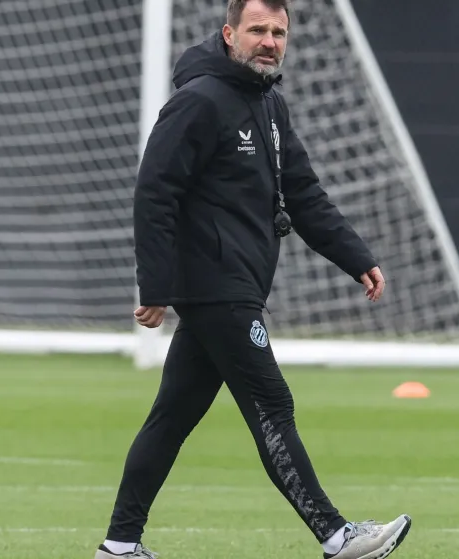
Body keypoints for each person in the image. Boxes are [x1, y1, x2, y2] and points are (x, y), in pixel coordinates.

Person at [93, 1, 411, 558]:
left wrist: (354, 255)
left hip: (234, 286)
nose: (269, 41)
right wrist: (155, 287)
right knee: (272, 403)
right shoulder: (199, 102)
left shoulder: (269, 104)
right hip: (217, 288)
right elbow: (154, 193)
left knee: (171, 418)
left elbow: (305, 193)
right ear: (229, 33)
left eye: (279, 32)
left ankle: (119, 546)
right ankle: (337, 537)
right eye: (257, 30)